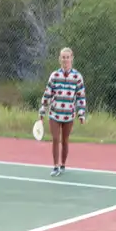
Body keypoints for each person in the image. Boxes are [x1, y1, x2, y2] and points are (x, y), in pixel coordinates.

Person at [38, 47, 87, 177]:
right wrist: (42, 110)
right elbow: (47, 94)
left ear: (72, 59)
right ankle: (55, 166)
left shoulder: (77, 77)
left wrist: (81, 113)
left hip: (69, 115)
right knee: (55, 139)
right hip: (54, 113)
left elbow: (81, 96)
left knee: (65, 140)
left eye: (67, 57)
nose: (65, 60)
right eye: (63, 57)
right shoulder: (54, 75)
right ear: (60, 59)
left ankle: (63, 164)